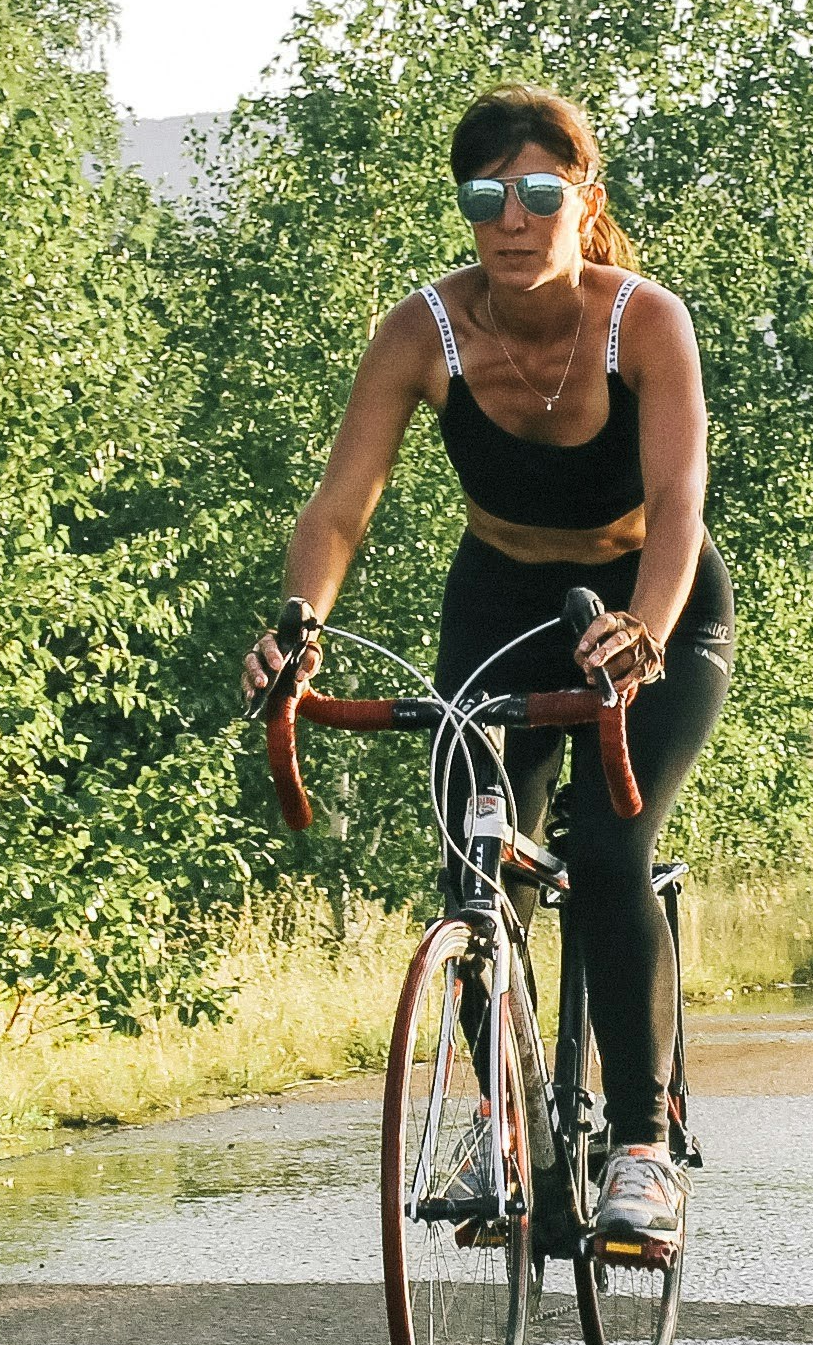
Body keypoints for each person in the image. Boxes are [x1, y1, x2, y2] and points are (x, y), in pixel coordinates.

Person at [240, 86, 729, 1255]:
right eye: (487, 194)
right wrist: (299, 626)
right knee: (475, 856)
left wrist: (645, 627)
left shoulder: (643, 322)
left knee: (608, 850)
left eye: (540, 191)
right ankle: (505, 1121)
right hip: (502, 605)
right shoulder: (423, 332)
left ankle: (643, 1149)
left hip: (650, 605)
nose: (513, 217)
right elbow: (340, 508)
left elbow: (677, 504)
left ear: (584, 199)